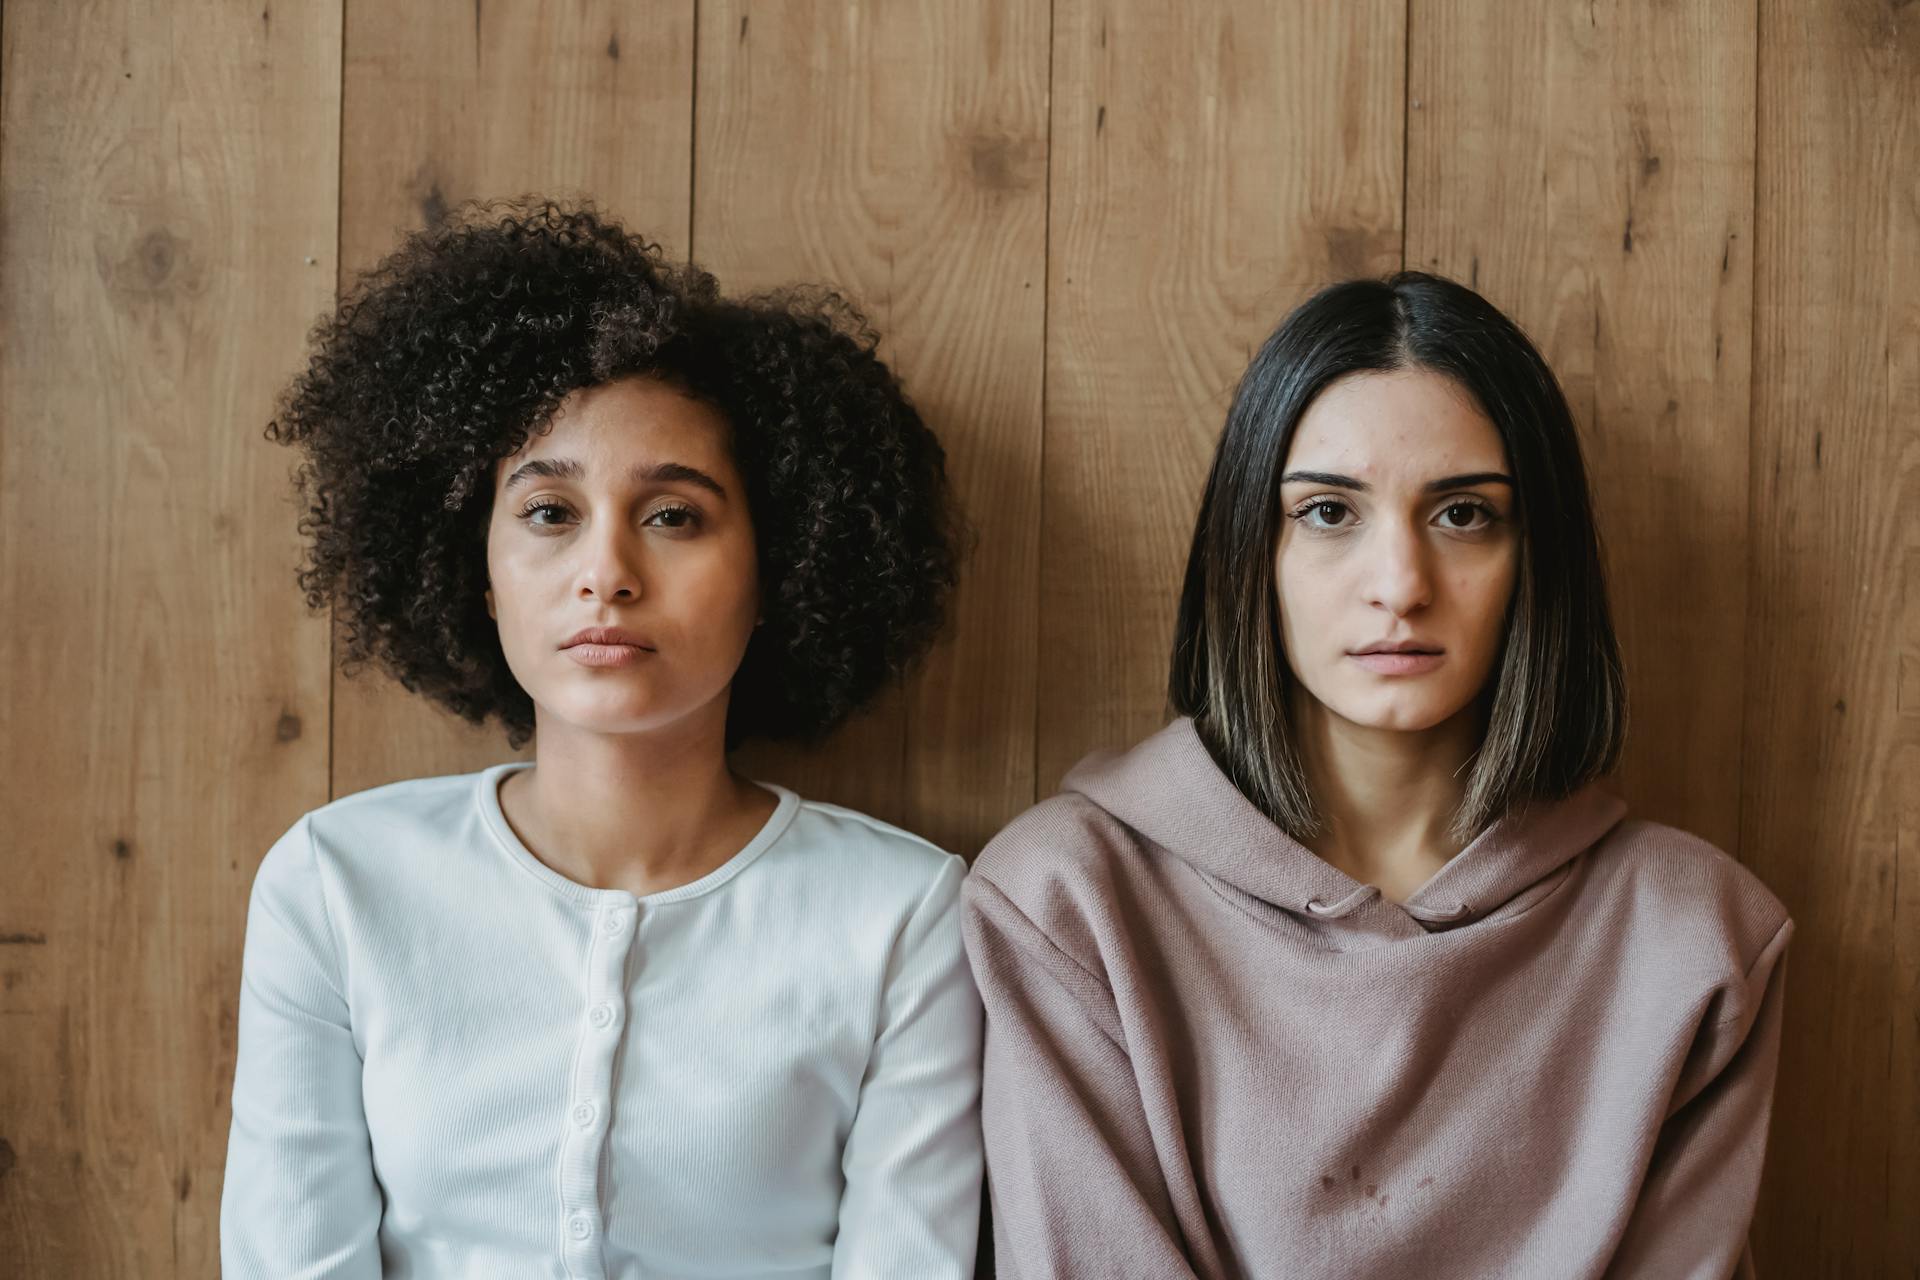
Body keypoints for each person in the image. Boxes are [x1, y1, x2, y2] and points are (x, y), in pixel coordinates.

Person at [964, 271, 1791, 1278]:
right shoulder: (1069, 900)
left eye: (1463, 515)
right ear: (1248, 550)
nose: (1400, 583)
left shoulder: (1696, 937)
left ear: (1540, 557)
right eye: (1326, 512)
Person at [221, 200, 982, 1279]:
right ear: (475, 569)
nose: (607, 572)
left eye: (674, 514)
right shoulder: (335, 885)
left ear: (781, 569)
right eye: (548, 512)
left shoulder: (904, 917)